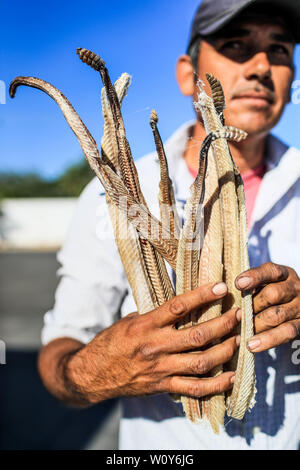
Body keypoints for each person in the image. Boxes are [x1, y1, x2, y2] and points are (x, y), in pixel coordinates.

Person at [38, 0, 300, 450]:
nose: (261, 66)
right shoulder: (113, 195)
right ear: (187, 73)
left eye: (279, 50)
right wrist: (106, 368)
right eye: (236, 45)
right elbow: (59, 362)